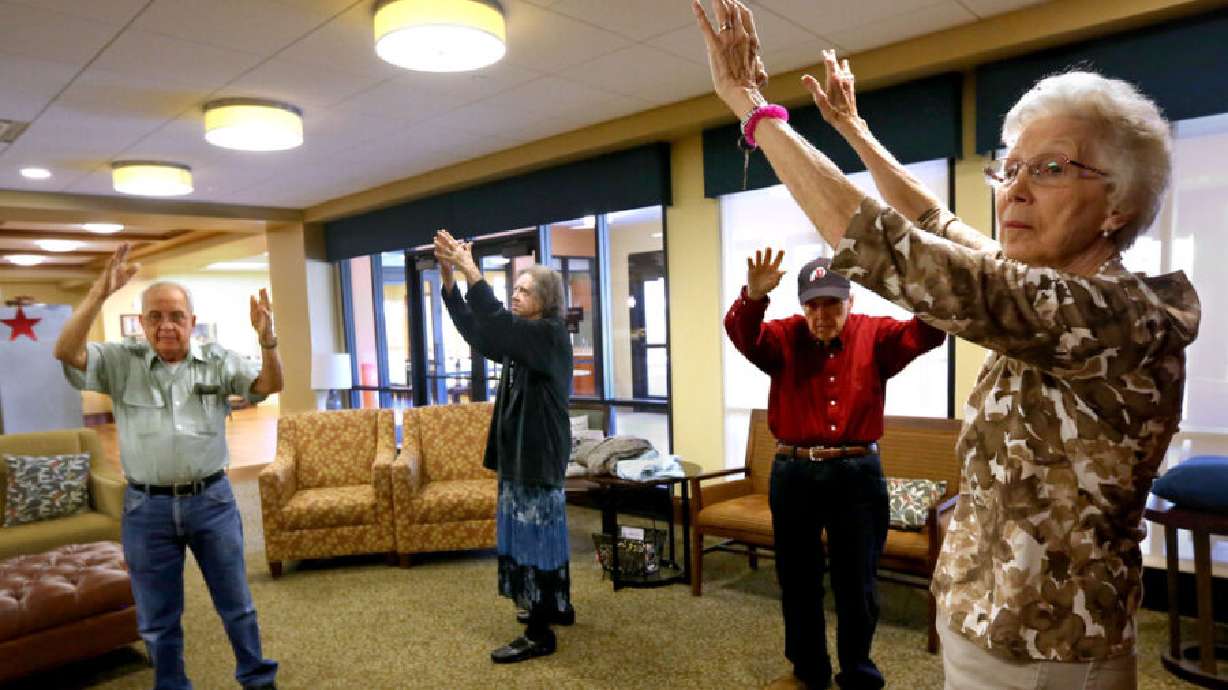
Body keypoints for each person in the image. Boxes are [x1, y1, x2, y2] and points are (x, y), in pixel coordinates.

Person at [692, 2, 1201, 688]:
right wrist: (855, 129)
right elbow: (934, 221)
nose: (1015, 187)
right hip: (984, 620)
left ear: (1118, 205)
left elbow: (885, 247)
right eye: (1010, 168)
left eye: (1050, 168)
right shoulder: (1040, 292)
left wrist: (751, 106)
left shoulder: (1115, 315)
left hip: (1050, 648)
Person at [52, 244, 282, 690]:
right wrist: (100, 292)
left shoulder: (217, 359)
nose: (166, 325)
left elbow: (268, 386)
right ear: (142, 324)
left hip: (212, 501)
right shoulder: (120, 361)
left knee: (237, 604)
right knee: (158, 617)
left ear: (191, 322)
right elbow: (65, 351)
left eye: (176, 315)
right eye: (155, 316)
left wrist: (268, 341)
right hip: (146, 509)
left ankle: (257, 679)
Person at [726, 248, 945, 690]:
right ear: (802, 306)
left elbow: (928, 335)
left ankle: (858, 672)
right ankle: (808, 671)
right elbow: (744, 336)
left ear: (851, 301)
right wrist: (753, 297)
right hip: (794, 473)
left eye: (832, 303)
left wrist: (912, 284)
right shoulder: (783, 338)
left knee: (857, 582)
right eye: (813, 304)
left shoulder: (876, 335)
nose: (822, 314)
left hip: (856, 475)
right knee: (797, 579)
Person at [432, 229, 575, 664]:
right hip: (519, 455)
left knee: (535, 539)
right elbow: (481, 333)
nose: (515, 295)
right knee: (533, 534)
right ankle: (553, 606)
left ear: (545, 301)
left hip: (537, 456)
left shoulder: (548, 335)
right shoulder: (521, 340)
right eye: (514, 288)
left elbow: (497, 321)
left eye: (525, 291)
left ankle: (540, 633)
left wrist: (472, 270)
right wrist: (450, 282)